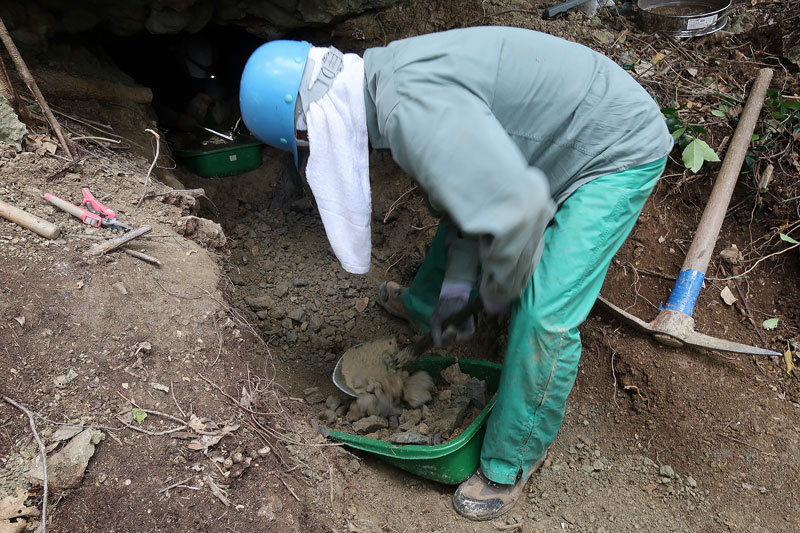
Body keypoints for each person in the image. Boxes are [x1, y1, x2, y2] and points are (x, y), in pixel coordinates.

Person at [239, 26, 673, 521]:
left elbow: (522, 211)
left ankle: (510, 462)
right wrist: (455, 292)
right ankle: (427, 309)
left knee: (544, 315)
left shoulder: (410, 113)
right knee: (459, 224)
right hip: (557, 135)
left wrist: (492, 294)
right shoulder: (383, 83)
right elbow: (463, 202)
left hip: (611, 146)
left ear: (310, 129)